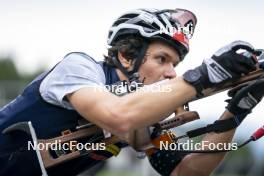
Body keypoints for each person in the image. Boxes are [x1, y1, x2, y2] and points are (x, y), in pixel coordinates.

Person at [0, 8, 263, 176]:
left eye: (176, 65)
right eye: (162, 59)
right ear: (126, 57)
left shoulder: (149, 116)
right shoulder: (78, 68)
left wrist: (234, 114)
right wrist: (204, 76)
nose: (172, 73)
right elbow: (118, 115)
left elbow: (184, 173)